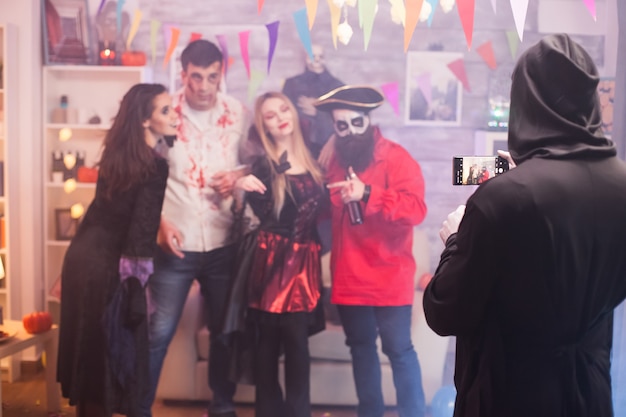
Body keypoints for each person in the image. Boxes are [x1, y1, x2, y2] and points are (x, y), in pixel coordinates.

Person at [423, 33, 626, 417]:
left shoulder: (501, 198)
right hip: (592, 391)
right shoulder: (620, 185)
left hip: (511, 393)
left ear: (524, 102)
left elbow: (445, 312)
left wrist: (455, 239)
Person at [57, 83, 177, 417]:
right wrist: (137, 288)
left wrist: (65, 270)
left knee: (90, 353)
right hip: (113, 266)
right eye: (165, 110)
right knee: (111, 355)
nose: (174, 115)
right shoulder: (155, 166)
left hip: (82, 260)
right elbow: (140, 234)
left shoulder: (116, 155)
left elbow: (97, 212)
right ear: (144, 119)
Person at [141, 39, 247, 417]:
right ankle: (140, 408)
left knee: (223, 332)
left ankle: (221, 406)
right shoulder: (164, 113)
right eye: (196, 77)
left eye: (212, 77)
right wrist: (157, 223)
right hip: (175, 241)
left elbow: (253, 163)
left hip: (224, 241)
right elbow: (141, 175)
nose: (204, 86)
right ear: (183, 74)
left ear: (222, 75)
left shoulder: (237, 113)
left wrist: (237, 175)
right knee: (158, 332)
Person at [316, 85, 428, 417]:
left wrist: (368, 193)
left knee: (399, 350)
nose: (350, 131)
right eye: (341, 126)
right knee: (361, 351)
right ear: (335, 127)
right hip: (349, 278)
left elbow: (416, 210)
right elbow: (324, 212)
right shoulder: (333, 161)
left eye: (357, 123)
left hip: (390, 276)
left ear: (369, 120)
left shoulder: (397, 158)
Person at [229, 91, 326, 417]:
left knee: (298, 345)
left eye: (284, 109)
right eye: (270, 115)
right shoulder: (263, 165)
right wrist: (241, 188)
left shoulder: (314, 158)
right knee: (267, 346)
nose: (280, 117)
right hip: (271, 261)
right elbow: (258, 214)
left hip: (304, 263)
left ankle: (299, 413)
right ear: (264, 126)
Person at [282, 43, 344, 159]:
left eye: (320, 56)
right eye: (312, 56)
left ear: (324, 59)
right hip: (298, 147)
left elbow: (343, 119)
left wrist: (318, 111)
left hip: (330, 148)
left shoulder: (337, 86)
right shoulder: (292, 84)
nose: (316, 59)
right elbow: (286, 113)